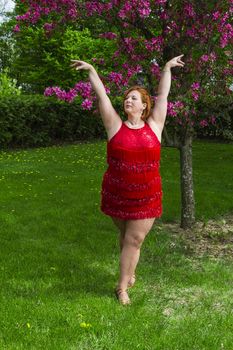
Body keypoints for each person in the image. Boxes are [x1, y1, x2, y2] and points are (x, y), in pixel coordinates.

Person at [71, 55, 185, 305]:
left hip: (147, 194)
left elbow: (163, 97)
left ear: (144, 105)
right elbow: (102, 98)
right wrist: (91, 70)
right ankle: (129, 272)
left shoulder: (154, 125)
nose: (128, 100)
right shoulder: (114, 126)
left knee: (135, 239)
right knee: (125, 236)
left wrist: (166, 68)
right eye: (126, 97)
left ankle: (121, 288)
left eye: (134, 97)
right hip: (117, 193)